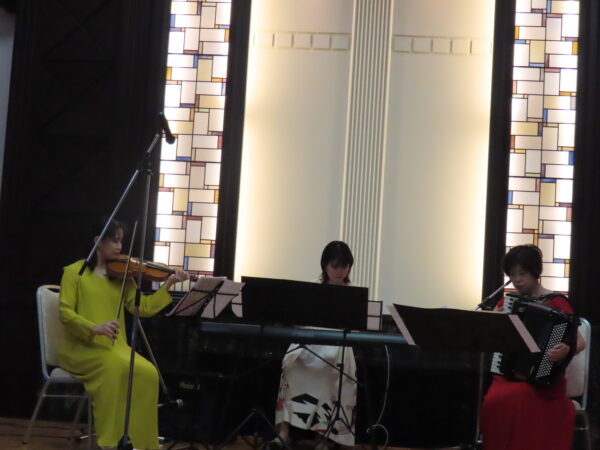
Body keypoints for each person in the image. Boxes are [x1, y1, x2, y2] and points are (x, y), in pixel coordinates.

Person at [58, 220, 189, 449]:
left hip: (114, 348)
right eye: (115, 240)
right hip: (80, 348)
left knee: (148, 373)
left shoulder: (123, 275)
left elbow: (142, 308)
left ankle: (141, 443)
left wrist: (168, 284)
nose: (120, 246)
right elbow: (65, 313)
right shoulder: (74, 272)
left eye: (121, 241)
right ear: (98, 241)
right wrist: (93, 328)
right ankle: (109, 442)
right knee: (115, 368)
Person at [480, 244, 585, 450]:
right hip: (508, 375)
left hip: (544, 381)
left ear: (535, 273)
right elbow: (491, 336)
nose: (517, 279)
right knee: (493, 400)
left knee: (517, 396)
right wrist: (494, 321)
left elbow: (580, 341)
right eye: (512, 275)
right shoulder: (507, 303)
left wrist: (565, 349)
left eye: (522, 273)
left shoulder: (556, 302)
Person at [272, 241, 357, 450]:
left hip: (337, 346)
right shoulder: (311, 288)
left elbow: (355, 329)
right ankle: (283, 432)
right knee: (291, 365)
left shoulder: (353, 293)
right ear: (325, 266)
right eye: (335, 266)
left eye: (344, 266)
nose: (339, 271)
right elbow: (297, 321)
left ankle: (324, 438)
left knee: (331, 373)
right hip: (310, 342)